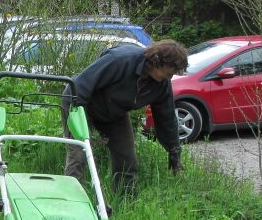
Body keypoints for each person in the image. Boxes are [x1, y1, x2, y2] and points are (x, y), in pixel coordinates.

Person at [62, 39, 189, 191]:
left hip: (114, 112)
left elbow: (166, 119)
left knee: (127, 161)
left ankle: (124, 202)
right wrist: (81, 128)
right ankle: (73, 199)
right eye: (170, 71)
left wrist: (174, 150)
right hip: (79, 103)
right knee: (79, 154)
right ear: (157, 61)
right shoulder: (120, 60)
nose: (170, 77)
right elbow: (82, 84)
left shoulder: (161, 85)